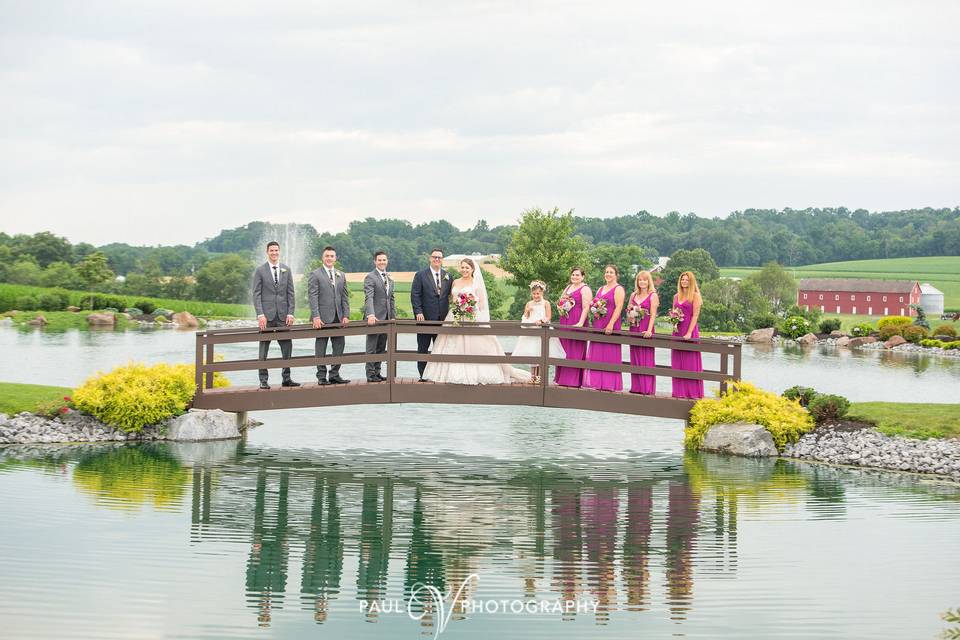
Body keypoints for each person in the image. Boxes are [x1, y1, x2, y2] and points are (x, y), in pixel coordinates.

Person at [423, 258, 531, 384]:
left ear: (472, 269)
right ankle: (445, 373)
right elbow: (451, 298)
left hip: (471, 317)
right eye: (462, 267)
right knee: (451, 345)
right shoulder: (455, 282)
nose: (464, 270)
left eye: (467, 268)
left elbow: (482, 304)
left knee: (473, 346)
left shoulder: (476, 283)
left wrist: (470, 308)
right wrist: (458, 305)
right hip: (455, 317)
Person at [252, 240, 299, 390]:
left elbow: (291, 293)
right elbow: (256, 294)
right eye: (271, 251)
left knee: (287, 348)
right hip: (266, 317)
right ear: (267, 252)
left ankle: (286, 378)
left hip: (283, 316)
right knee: (263, 350)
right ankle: (263, 380)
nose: (274, 253)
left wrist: (291, 313)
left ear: (279, 252)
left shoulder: (286, 269)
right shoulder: (260, 271)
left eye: (276, 250)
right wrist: (260, 314)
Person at [308, 246, 351, 385]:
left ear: (335, 258)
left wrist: (346, 315)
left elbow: (345, 297)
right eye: (327, 256)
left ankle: (334, 374)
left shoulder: (341, 274)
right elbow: (313, 296)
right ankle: (321, 377)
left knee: (339, 346)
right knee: (321, 347)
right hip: (322, 318)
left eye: (332, 256)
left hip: (338, 317)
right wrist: (315, 316)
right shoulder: (315, 274)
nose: (329, 258)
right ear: (323, 257)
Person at [410, 248, 453, 381]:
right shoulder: (421, 275)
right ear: (430, 258)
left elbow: (451, 296)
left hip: (442, 320)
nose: (437, 259)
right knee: (423, 348)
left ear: (442, 260)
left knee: (440, 348)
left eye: (439, 257)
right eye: (434, 257)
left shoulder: (448, 276)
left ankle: (438, 374)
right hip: (425, 319)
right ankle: (422, 375)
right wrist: (418, 312)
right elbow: (415, 295)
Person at [583, 264, 626, 391]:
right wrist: (594, 309)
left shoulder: (618, 289)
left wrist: (611, 324)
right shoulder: (601, 289)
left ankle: (609, 384)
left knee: (609, 353)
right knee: (597, 352)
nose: (608, 274)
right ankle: (597, 382)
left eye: (611, 272)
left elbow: (619, 307)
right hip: (598, 323)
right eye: (606, 272)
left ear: (616, 275)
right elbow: (595, 303)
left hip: (610, 324)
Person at [511, 280, 562, 382]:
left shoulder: (545, 303)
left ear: (542, 293)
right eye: (534, 294)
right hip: (532, 331)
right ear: (531, 293)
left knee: (541, 352)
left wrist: (542, 321)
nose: (536, 296)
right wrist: (527, 311)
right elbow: (525, 317)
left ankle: (540, 376)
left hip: (542, 330)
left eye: (538, 293)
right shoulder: (529, 304)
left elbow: (548, 316)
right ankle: (533, 376)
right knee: (532, 353)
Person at [554, 267, 592, 388]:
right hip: (565, 320)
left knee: (574, 348)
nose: (574, 277)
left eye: (577, 275)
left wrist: (581, 322)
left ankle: (573, 380)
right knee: (564, 348)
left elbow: (586, 307)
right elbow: (561, 300)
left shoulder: (585, 289)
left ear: (583, 277)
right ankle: (562, 379)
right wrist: (560, 307)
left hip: (576, 320)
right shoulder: (568, 287)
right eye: (573, 275)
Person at [363, 250, 396, 382]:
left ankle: (377, 372)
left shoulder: (389, 278)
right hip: (374, 318)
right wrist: (370, 314)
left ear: (387, 261)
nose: (382, 262)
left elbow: (391, 298)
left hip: (387, 319)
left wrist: (393, 316)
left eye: (384, 260)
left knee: (381, 348)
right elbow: (369, 297)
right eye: (379, 260)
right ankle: (370, 375)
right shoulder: (370, 277)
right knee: (372, 348)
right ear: (375, 261)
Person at [670, 271, 704, 399]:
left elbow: (695, 316)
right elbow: (674, 313)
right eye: (682, 279)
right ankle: (679, 392)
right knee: (678, 361)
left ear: (691, 282)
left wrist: (690, 332)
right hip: (677, 331)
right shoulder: (676, 296)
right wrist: (673, 322)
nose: (684, 281)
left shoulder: (695, 296)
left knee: (690, 362)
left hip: (690, 330)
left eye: (686, 280)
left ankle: (693, 392)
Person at [627, 270, 659, 395]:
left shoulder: (653, 295)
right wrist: (630, 313)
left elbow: (653, 315)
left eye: (645, 280)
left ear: (648, 281)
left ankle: (647, 388)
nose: (642, 282)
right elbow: (628, 314)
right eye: (640, 280)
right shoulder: (633, 295)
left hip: (646, 328)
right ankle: (636, 387)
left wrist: (650, 330)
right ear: (637, 281)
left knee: (646, 358)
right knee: (635, 357)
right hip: (634, 328)